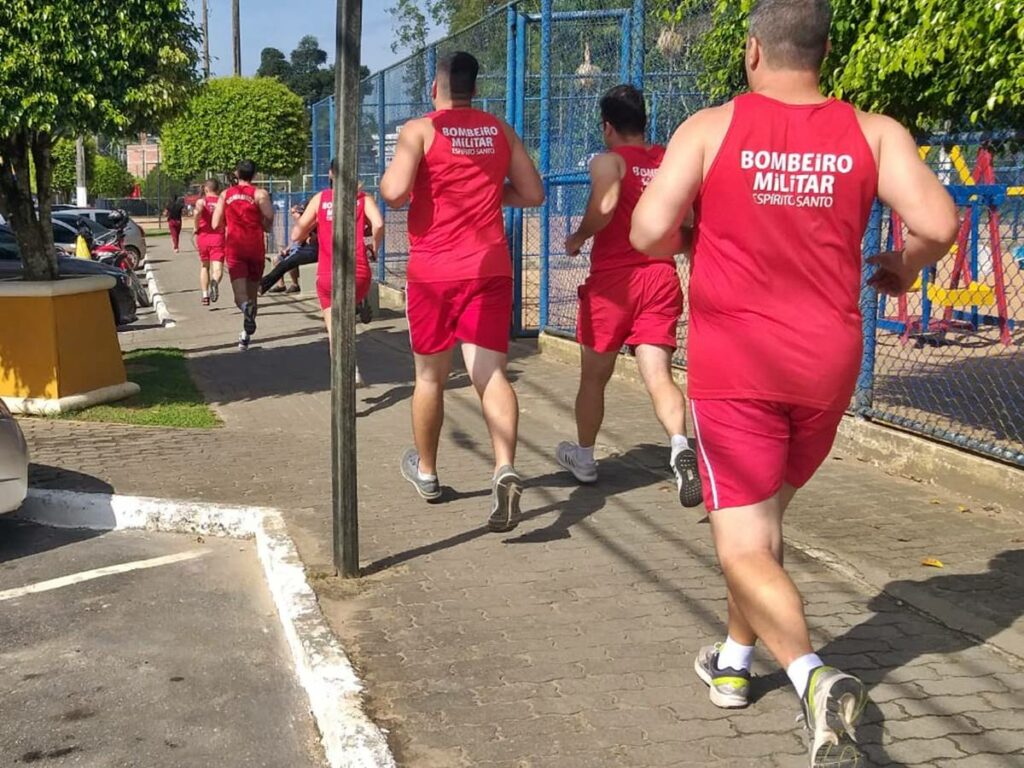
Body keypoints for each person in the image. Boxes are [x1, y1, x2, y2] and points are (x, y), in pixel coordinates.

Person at [630, 2, 959, 765]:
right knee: (761, 527)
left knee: (743, 546)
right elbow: (938, 223)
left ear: (751, 50)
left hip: (737, 364)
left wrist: (694, 235)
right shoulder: (873, 133)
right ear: (824, 52)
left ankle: (813, 679)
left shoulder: (710, 128)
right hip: (824, 365)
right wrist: (904, 267)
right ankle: (735, 665)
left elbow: (647, 232)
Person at [380, 51, 544, 531]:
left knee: (430, 377)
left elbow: (392, 193)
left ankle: (427, 472)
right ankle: (505, 466)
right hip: (489, 266)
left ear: (437, 86)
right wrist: (494, 192)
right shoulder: (499, 129)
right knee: (490, 374)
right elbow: (533, 194)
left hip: (434, 272)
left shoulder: (420, 130)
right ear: (476, 87)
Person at [557, 84, 702, 509]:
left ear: (607, 128)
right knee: (659, 374)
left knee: (593, 377)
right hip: (659, 277)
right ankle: (679, 446)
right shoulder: (667, 162)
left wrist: (579, 236)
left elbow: (606, 202)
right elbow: (689, 217)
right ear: (644, 121)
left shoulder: (610, 160)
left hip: (613, 284)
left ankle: (583, 458)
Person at [290, 164, 384, 386]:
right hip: (358, 270)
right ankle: (359, 302)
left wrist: (311, 227)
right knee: (350, 303)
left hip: (328, 272)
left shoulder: (321, 199)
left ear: (330, 174)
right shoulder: (362, 198)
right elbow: (378, 224)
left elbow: (296, 234)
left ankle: (350, 370)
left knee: (335, 329)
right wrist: (375, 248)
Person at [212, 160, 275, 351]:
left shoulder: (225, 194)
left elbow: (216, 224)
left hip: (235, 248)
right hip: (255, 247)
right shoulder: (259, 194)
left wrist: (228, 224)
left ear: (237, 174)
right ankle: (246, 336)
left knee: (240, 296)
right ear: (254, 175)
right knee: (252, 294)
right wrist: (263, 225)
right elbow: (269, 215)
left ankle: (245, 310)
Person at [192, 179, 225, 306]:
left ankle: (205, 295)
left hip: (203, 237)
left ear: (206, 189)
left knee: (205, 266)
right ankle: (215, 281)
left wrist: (196, 226)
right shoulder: (222, 202)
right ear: (218, 190)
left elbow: (197, 212)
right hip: (218, 237)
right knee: (218, 268)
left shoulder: (202, 201)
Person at [266, 202, 307, 294]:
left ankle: (295, 284)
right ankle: (281, 285)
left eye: (293, 213)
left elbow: (303, 239)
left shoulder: (305, 223)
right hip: (293, 249)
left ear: (299, 213)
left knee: (290, 261)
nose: (291, 215)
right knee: (276, 259)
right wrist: (286, 249)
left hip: (302, 250)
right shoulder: (296, 224)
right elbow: (293, 242)